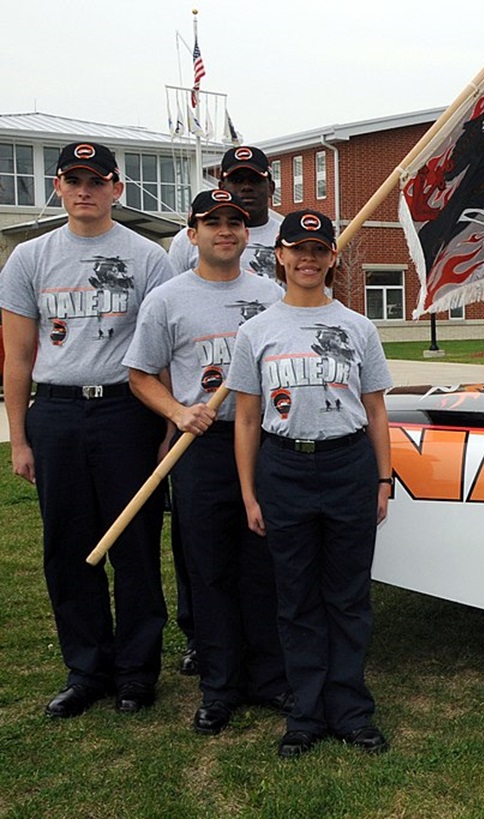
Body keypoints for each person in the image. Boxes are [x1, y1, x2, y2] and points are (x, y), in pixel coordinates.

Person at [0, 142, 175, 717]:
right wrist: (20, 438)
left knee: (135, 542)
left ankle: (136, 672)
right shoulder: (29, 257)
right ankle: (86, 669)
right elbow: (19, 356)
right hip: (56, 413)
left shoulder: (149, 258)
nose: (84, 191)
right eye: (73, 181)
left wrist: (167, 422)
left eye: (96, 181)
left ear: (116, 189)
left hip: (126, 411)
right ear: (58, 187)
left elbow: (161, 352)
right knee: (67, 545)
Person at [228, 210, 393, 758]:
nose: (308, 259)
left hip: (347, 465)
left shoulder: (357, 327)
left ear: (332, 258)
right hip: (284, 469)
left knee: (348, 598)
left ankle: (350, 710)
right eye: (297, 248)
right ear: (279, 254)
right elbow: (248, 418)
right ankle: (304, 713)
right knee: (295, 598)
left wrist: (383, 478)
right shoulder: (256, 331)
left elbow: (374, 410)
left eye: (319, 250)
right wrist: (250, 491)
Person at [124, 189, 289, 735]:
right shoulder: (167, 299)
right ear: (191, 234)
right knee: (210, 567)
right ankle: (219, 686)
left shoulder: (274, 295)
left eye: (235, 222)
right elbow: (141, 374)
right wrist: (176, 410)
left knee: (261, 564)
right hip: (200, 446)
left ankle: (268, 677)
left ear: (247, 234)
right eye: (212, 222)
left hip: (264, 439)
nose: (225, 230)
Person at [169, 146, 281, 280]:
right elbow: (172, 291)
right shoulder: (187, 240)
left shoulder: (288, 237)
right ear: (221, 188)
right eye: (237, 181)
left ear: (271, 188)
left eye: (255, 180)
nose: (246, 187)